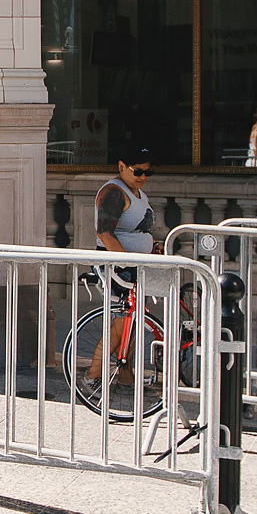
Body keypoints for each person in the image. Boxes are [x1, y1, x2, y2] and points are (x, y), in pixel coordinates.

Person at [84, 148, 158, 384]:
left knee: (133, 320)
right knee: (120, 322)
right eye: (138, 171)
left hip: (135, 265)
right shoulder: (114, 192)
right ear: (121, 166)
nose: (143, 177)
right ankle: (93, 375)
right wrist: (127, 261)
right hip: (119, 267)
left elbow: (136, 229)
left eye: (148, 172)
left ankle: (125, 374)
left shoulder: (136, 192)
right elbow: (104, 232)